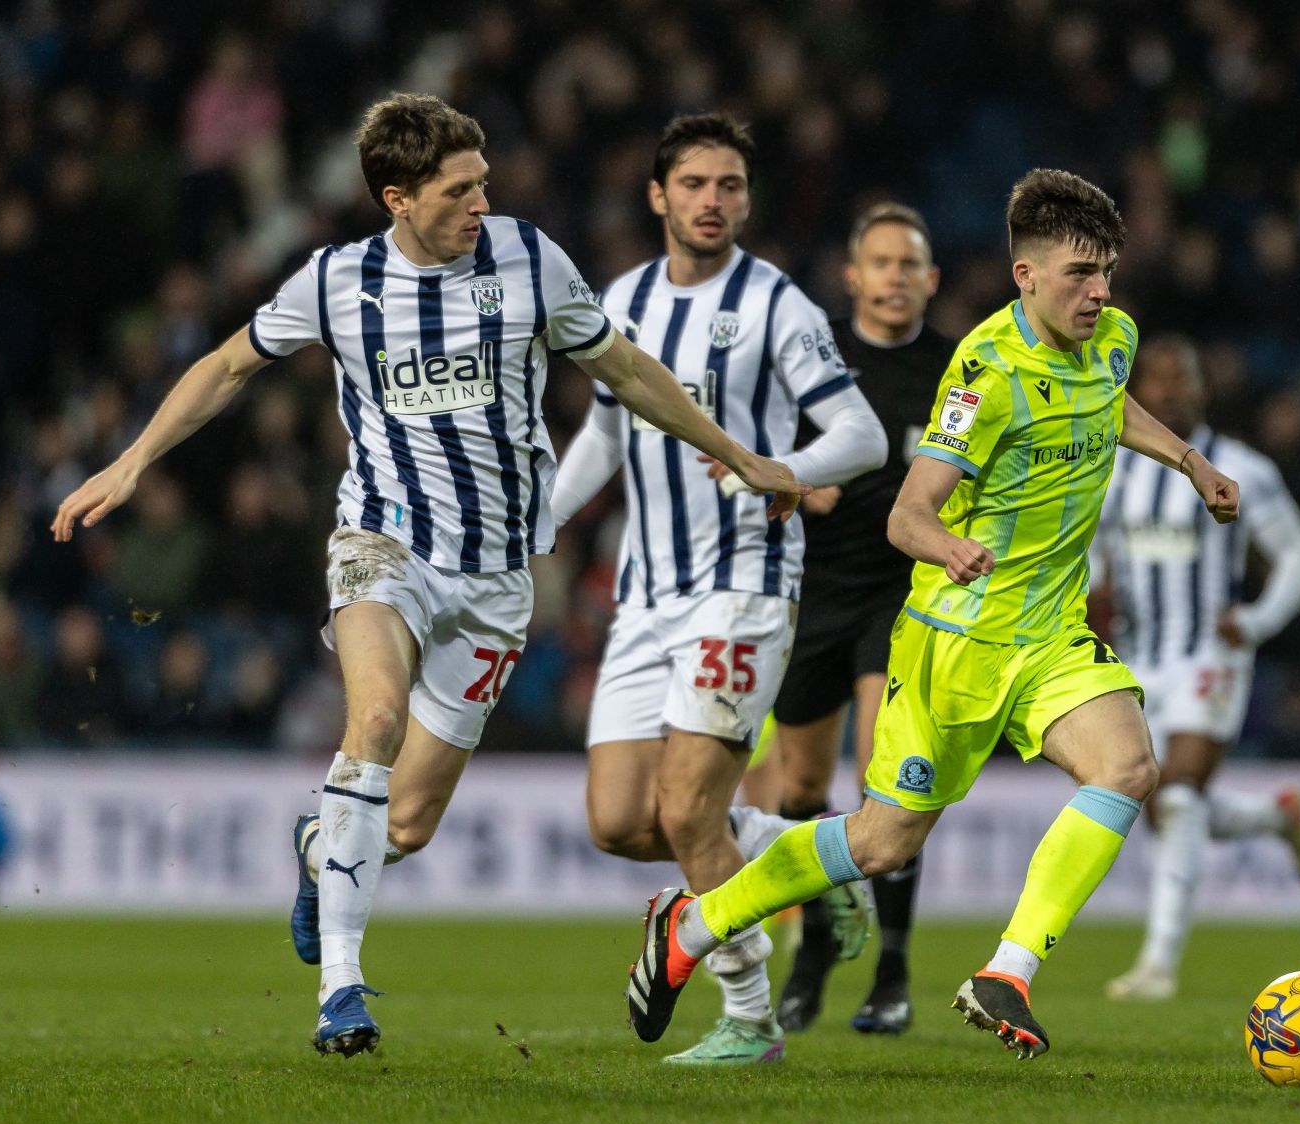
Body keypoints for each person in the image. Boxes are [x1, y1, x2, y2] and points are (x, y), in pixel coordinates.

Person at [50, 94, 806, 1058]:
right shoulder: (336, 281)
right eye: (459, 191)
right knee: (372, 721)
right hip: (383, 543)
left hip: (494, 581)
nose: (481, 203)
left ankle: (322, 849)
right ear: (398, 198)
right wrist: (131, 460)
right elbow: (228, 366)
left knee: (404, 823)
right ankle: (342, 992)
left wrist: (739, 455)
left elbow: (626, 369)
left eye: (485, 183)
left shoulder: (531, 261)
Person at [625, 168, 1241, 1062]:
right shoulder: (983, 376)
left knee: (1128, 767)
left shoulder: (1113, 336)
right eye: (1079, 274)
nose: (1099, 291)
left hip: (1052, 637)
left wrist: (1188, 459)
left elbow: (1113, 403)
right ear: (1025, 276)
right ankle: (695, 924)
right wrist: (947, 547)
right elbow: (905, 513)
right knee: (878, 844)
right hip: (954, 643)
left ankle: (1009, 971)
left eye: (1106, 270)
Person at [549, 114, 886, 1066]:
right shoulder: (619, 300)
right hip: (646, 593)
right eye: (693, 183)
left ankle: (751, 1018)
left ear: (748, 197)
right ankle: (804, 860)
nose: (712, 201)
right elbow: (607, 436)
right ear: (658, 195)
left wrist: (779, 468)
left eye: (730, 185)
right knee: (621, 822)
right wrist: (547, 520)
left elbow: (862, 436)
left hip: (744, 584)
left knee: (690, 811)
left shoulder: (778, 304)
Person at [770, 202, 957, 1037]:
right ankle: (816, 944)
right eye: (880, 263)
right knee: (801, 788)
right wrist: (801, 483)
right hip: (814, 590)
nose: (894, 277)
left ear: (930, 280)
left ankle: (893, 971)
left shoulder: (959, 370)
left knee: (887, 771)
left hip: (904, 593)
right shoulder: (815, 362)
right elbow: (762, 457)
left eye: (908, 263)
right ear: (852, 278)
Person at [1097, 334, 1300, 1003]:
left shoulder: (1243, 468)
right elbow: (1093, 557)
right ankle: (1275, 819)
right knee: (1163, 803)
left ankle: (1158, 964)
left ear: (1202, 387)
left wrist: (1253, 622)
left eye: (1181, 377)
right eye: (1157, 379)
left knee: (1178, 794)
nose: (1169, 389)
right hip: (1137, 656)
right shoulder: (1114, 467)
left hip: (1209, 653)